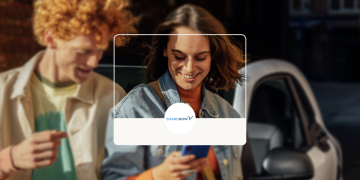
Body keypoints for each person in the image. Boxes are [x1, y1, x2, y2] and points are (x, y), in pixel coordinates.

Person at [102, 4, 245, 180]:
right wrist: (156, 175)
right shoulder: (134, 110)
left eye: (200, 57)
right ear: (164, 50)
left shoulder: (228, 116)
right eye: (179, 56)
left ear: (212, 56)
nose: (189, 68)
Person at [0, 0, 136, 180]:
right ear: (50, 38)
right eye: (83, 51)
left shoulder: (114, 96)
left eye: (100, 51)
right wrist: (10, 159)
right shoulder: (2, 91)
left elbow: (129, 171)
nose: (94, 62)